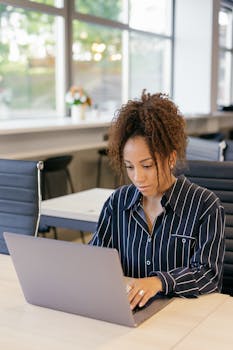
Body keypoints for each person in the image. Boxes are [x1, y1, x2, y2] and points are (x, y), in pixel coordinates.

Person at [89, 90, 225, 311]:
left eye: (147, 165)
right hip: (129, 313)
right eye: (129, 167)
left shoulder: (205, 205)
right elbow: (96, 259)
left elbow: (208, 276)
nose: (137, 177)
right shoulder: (117, 203)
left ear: (171, 158)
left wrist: (159, 282)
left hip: (183, 319)